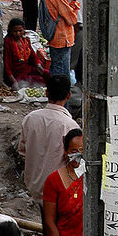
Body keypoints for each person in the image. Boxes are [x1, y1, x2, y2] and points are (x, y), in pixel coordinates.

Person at [18, 73, 78, 203]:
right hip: (57, 191)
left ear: (46, 93)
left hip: (33, 187)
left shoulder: (30, 118)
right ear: (68, 95)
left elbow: (22, 152)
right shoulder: (70, 126)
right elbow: (75, 162)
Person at [43, 0, 79, 76]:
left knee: (57, 73)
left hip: (60, 40)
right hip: (61, 40)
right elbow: (72, 19)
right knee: (61, 77)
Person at [3, 18, 48, 90]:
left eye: (20, 31)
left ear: (24, 30)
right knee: (39, 80)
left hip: (27, 69)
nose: (18, 33)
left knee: (47, 74)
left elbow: (34, 57)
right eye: (15, 31)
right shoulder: (8, 43)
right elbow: (7, 64)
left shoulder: (26, 40)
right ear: (11, 31)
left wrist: (39, 66)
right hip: (16, 73)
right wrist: (13, 81)